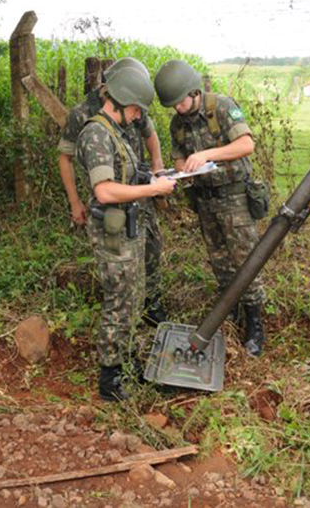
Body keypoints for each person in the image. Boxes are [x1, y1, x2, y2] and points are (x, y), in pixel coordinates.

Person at [75, 67, 177, 401]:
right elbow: (104, 191)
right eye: (135, 110)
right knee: (119, 300)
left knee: (134, 297)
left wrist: (152, 181)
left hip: (128, 228)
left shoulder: (117, 132)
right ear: (119, 102)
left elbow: (126, 177)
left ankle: (128, 362)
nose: (137, 118)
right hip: (113, 235)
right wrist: (152, 190)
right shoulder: (96, 134)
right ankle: (111, 379)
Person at [154, 60, 268, 356]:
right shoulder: (178, 123)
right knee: (220, 262)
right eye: (173, 104)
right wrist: (183, 169)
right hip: (206, 200)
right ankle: (230, 312)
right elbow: (179, 158)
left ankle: (255, 323)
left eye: (180, 101)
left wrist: (205, 155)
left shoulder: (221, 107)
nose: (178, 108)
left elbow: (245, 145)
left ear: (193, 91)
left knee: (246, 261)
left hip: (236, 198)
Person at [58, 57, 168, 326]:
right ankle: (121, 336)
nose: (138, 116)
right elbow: (66, 158)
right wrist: (74, 202)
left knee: (151, 250)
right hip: (116, 199)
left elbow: (149, 134)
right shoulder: (88, 118)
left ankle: (149, 307)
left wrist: (157, 169)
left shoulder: (132, 105)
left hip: (138, 192)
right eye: (135, 110)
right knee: (120, 278)